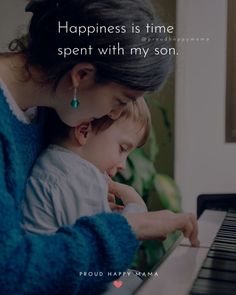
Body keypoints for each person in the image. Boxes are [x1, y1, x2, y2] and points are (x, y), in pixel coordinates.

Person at [0, 0, 199, 294]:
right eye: (120, 101)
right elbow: (9, 273)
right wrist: (130, 227)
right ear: (81, 75)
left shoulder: (47, 106)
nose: (114, 116)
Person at [22, 97, 150, 234]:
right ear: (84, 132)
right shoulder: (81, 177)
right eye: (122, 148)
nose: (123, 165)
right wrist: (137, 213)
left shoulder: (52, 161)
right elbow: (105, 243)